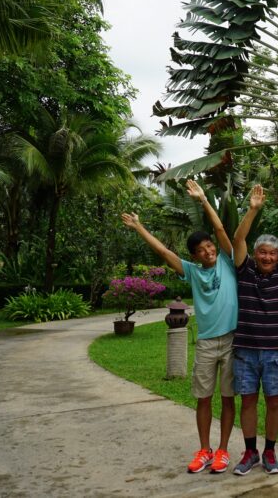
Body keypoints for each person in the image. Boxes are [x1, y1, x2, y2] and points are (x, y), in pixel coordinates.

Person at [120, 179, 238, 475]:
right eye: (201, 249)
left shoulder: (227, 259)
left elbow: (222, 230)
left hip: (233, 340)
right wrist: (139, 228)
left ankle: (223, 451)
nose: (208, 250)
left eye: (209, 245)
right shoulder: (192, 272)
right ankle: (204, 450)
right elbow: (163, 253)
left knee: (227, 398)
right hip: (208, 342)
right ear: (195, 255)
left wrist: (202, 200)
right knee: (203, 398)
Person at [231, 184, 278, 476]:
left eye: (272, 254)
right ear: (256, 254)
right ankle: (250, 451)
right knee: (248, 401)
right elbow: (238, 239)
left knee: (274, 402)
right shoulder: (244, 269)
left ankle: (270, 451)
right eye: (263, 252)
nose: (267, 258)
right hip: (245, 349)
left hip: (274, 351)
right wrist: (253, 209)